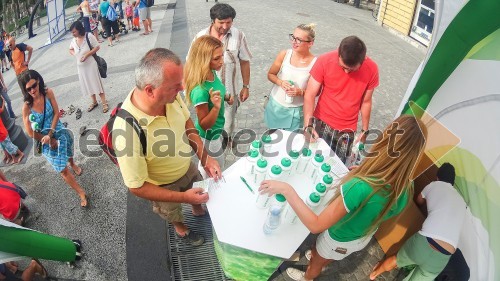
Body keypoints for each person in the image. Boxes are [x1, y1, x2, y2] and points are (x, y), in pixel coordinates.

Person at [259, 115, 427, 281]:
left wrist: (287, 189)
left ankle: (308, 277)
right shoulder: (407, 187)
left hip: (337, 238)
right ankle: (322, 255)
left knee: (317, 262)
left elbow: (316, 225)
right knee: (327, 255)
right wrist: (364, 172)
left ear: (385, 142)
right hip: (360, 238)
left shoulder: (359, 186)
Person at [113, 48, 222, 246]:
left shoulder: (169, 96)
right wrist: (182, 197)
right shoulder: (126, 132)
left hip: (187, 167)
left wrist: (205, 158)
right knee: (173, 212)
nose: (182, 88)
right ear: (149, 90)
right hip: (162, 186)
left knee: (196, 193)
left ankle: (197, 209)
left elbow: (188, 123)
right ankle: (181, 229)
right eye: (175, 86)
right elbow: (136, 187)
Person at [369, 163, 467, 281]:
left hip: (425, 241)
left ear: (437, 177)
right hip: (443, 256)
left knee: (396, 260)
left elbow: (418, 201)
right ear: (452, 182)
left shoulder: (434, 185)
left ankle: (374, 274)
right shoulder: (462, 202)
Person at [303, 36, 379, 163]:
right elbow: (310, 94)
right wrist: (307, 125)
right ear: (338, 53)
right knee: (313, 161)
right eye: (343, 67)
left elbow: (366, 101)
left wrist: (365, 130)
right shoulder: (324, 60)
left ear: (363, 60)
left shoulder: (372, 69)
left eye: (351, 69)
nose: (347, 72)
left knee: (338, 166)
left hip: (347, 130)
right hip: (322, 123)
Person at [20, 70, 88, 208]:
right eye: (28, 88)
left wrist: (51, 134)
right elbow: (29, 131)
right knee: (62, 169)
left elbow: (57, 112)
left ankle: (72, 163)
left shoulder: (48, 93)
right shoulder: (27, 107)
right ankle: (81, 192)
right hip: (44, 141)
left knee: (68, 151)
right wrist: (49, 140)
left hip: (58, 130)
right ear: (25, 90)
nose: (32, 90)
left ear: (38, 81)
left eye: (34, 85)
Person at [190, 3, 252, 148]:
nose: (225, 26)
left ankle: (227, 139)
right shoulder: (200, 37)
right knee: (209, 123)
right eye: (221, 23)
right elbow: (191, 63)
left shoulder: (239, 35)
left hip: (230, 91)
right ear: (213, 20)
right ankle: (213, 146)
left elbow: (244, 61)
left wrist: (246, 86)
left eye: (228, 22)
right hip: (207, 93)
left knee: (228, 120)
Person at [184, 35, 232, 178]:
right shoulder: (200, 90)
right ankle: (206, 197)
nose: (222, 61)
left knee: (213, 167)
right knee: (213, 171)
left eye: (222, 56)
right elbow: (204, 124)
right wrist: (216, 107)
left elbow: (217, 91)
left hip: (217, 131)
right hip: (209, 137)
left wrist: (226, 97)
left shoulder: (211, 73)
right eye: (217, 58)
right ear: (203, 60)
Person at [264, 23, 317, 132]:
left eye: (299, 40)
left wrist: (300, 92)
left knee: (291, 144)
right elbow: (271, 74)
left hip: (296, 112)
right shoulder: (284, 54)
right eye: (293, 37)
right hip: (276, 107)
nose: (294, 42)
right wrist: (280, 82)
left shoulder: (315, 63)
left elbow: (316, 91)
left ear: (310, 43)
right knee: (272, 139)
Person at [69, 21, 109, 113]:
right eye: (72, 32)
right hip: (81, 68)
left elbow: (97, 47)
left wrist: (87, 55)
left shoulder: (88, 36)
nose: (73, 34)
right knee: (88, 84)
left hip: (91, 65)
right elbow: (70, 49)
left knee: (96, 83)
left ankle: (104, 103)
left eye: (74, 32)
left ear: (79, 30)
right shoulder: (73, 40)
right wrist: (74, 54)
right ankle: (94, 102)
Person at [1, 97, 24, 164]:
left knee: (9, 146)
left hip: (2, 133)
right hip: (2, 134)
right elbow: (2, 109)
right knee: (7, 146)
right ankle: (13, 158)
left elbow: (2, 109)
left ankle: (20, 154)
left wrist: (2, 101)